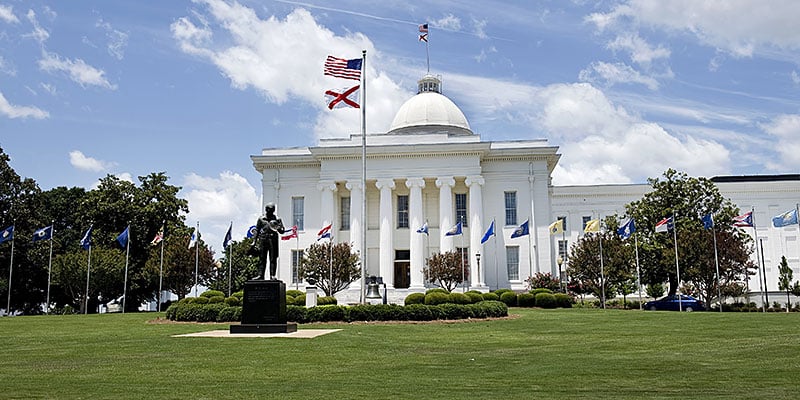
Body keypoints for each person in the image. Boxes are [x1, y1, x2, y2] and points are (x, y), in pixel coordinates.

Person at [250, 202, 285, 280]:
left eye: (272, 211)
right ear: (266, 210)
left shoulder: (277, 219)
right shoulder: (261, 219)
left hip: (273, 240)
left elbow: (282, 231)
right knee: (262, 258)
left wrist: (278, 227)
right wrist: (254, 242)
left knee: (273, 258)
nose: (271, 212)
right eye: (269, 210)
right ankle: (260, 275)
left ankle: (272, 275)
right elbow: (257, 230)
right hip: (263, 239)